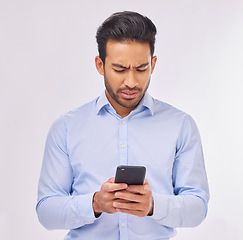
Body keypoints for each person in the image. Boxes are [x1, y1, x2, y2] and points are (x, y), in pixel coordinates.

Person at [36, 11, 209, 240]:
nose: (131, 82)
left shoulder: (181, 125)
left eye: (141, 69)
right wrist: (95, 203)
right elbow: (46, 211)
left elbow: (198, 206)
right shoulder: (66, 127)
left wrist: (154, 205)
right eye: (119, 69)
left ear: (153, 64)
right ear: (100, 65)